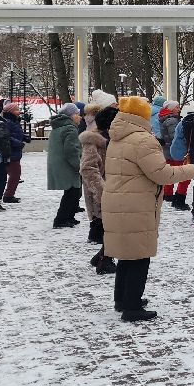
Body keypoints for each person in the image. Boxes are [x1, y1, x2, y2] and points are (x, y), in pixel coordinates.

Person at [103, 96, 194, 322]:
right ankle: (132, 306)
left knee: (127, 254)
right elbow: (162, 174)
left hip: (119, 200)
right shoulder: (143, 140)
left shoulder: (118, 135)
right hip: (136, 204)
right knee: (139, 256)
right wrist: (192, 169)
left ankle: (122, 299)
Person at [81, 104, 119, 272]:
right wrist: (102, 191)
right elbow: (87, 168)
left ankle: (101, 257)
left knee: (114, 226)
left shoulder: (112, 138)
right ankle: (104, 261)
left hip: (113, 188)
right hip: (101, 191)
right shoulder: (93, 140)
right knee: (112, 228)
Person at [47, 102, 83, 228]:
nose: (80, 117)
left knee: (72, 191)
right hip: (67, 164)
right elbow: (71, 151)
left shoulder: (59, 126)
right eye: (78, 114)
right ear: (71, 116)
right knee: (72, 192)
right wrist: (79, 166)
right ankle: (61, 219)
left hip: (60, 163)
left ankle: (69, 217)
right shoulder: (70, 128)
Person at [166, 102, 194, 210]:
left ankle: (175, 198)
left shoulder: (183, 120)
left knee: (182, 176)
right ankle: (179, 200)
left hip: (176, 151)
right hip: (183, 153)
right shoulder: (191, 122)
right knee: (185, 177)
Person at [1, 103, 29, 203]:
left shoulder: (14, 121)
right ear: (11, 112)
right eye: (16, 110)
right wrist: (18, 143)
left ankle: (7, 195)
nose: (19, 112)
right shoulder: (8, 122)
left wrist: (25, 137)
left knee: (14, 175)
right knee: (15, 175)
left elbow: (16, 133)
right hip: (10, 152)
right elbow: (6, 137)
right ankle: (8, 196)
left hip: (15, 152)